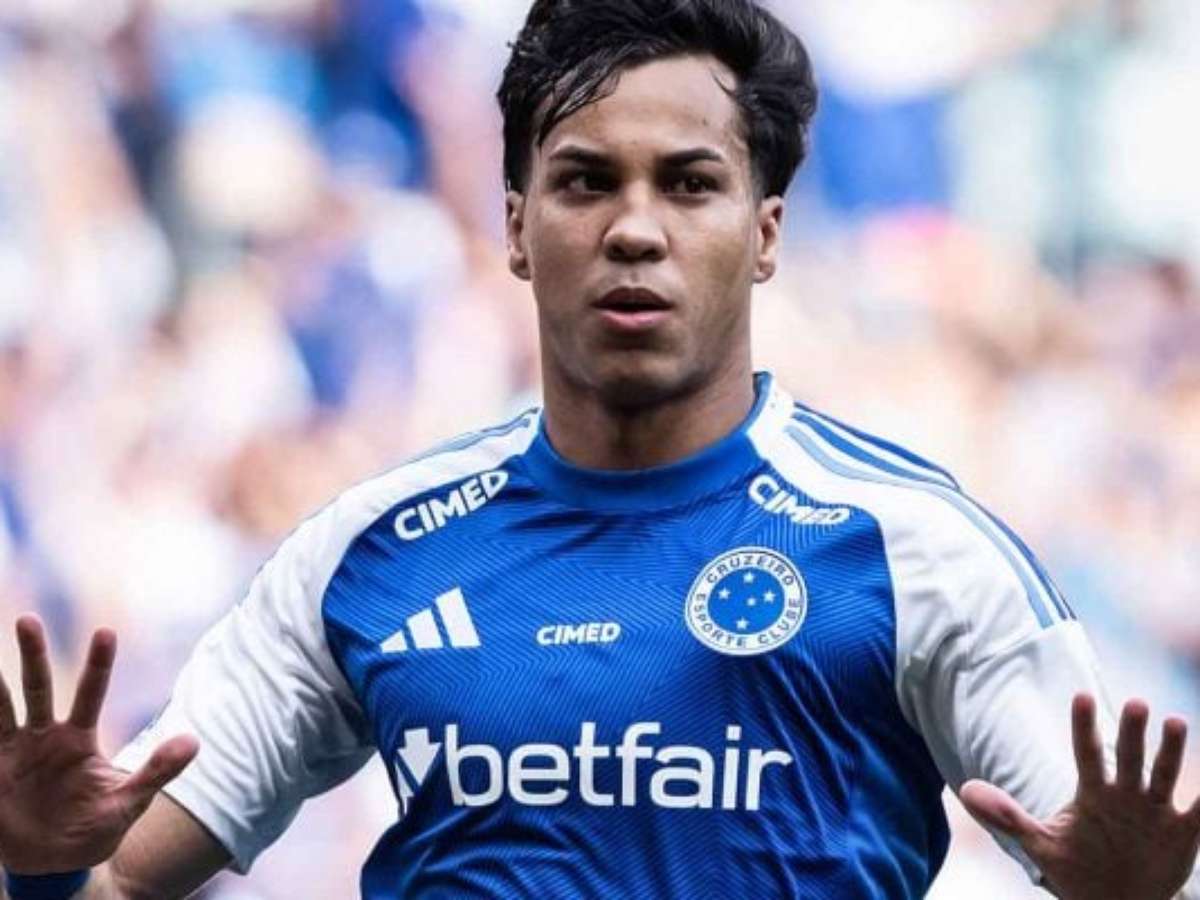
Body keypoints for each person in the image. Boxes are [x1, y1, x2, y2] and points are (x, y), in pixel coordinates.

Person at [2, 1, 1199, 897]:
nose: (635, 229)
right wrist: (42, 870)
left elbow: (1115, 857)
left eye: (689, 184)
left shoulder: (920, 551)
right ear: (517, 226)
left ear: (766, 232)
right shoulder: (365, 556)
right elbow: (116, 887)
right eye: (584, 182)